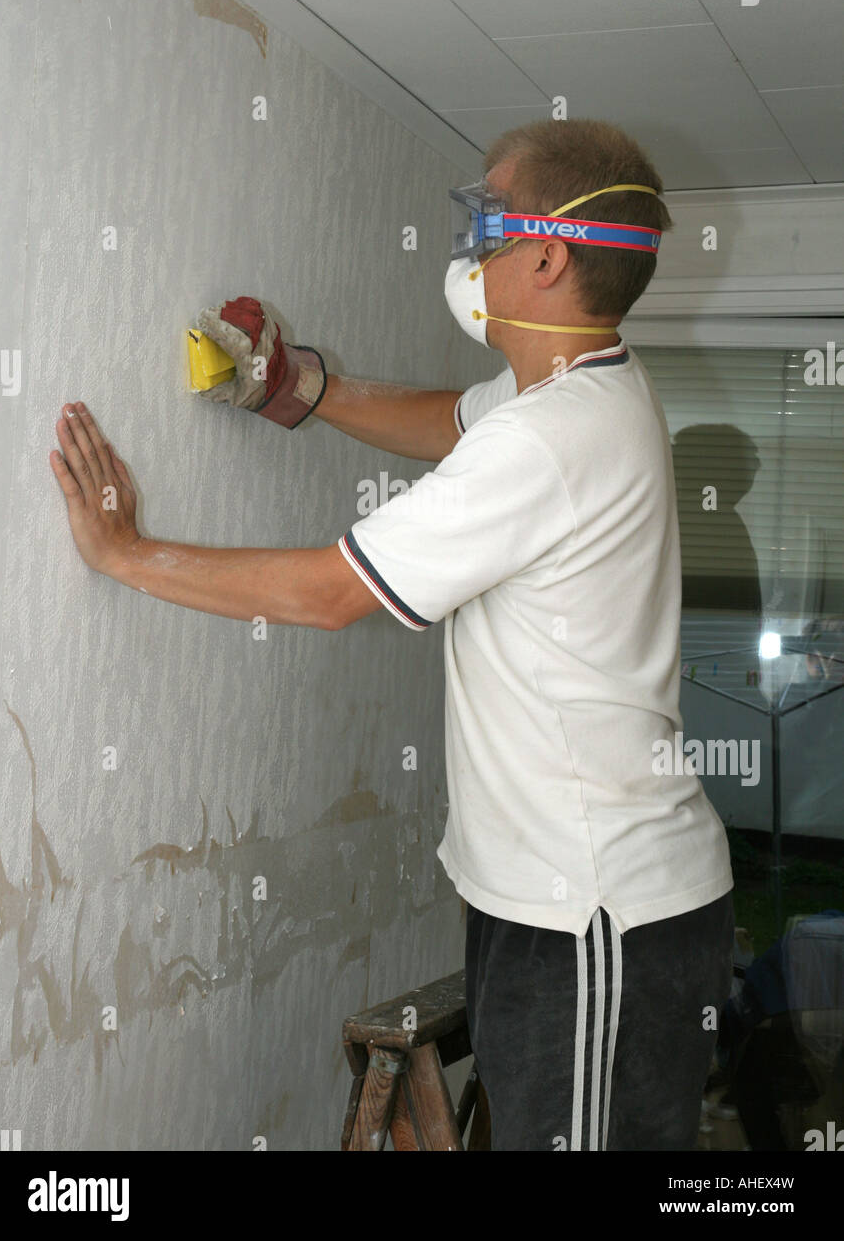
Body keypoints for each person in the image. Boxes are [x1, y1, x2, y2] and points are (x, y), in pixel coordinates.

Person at [51, 117, 734, 1151]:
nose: (469, 253)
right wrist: (299, 385)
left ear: (544, 255)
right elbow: (448, 421)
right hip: (560, 903)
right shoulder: (575, 389)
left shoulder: (550, 441)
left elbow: (330, 592)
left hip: (600, 914)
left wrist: (126, 554)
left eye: (486, 225)